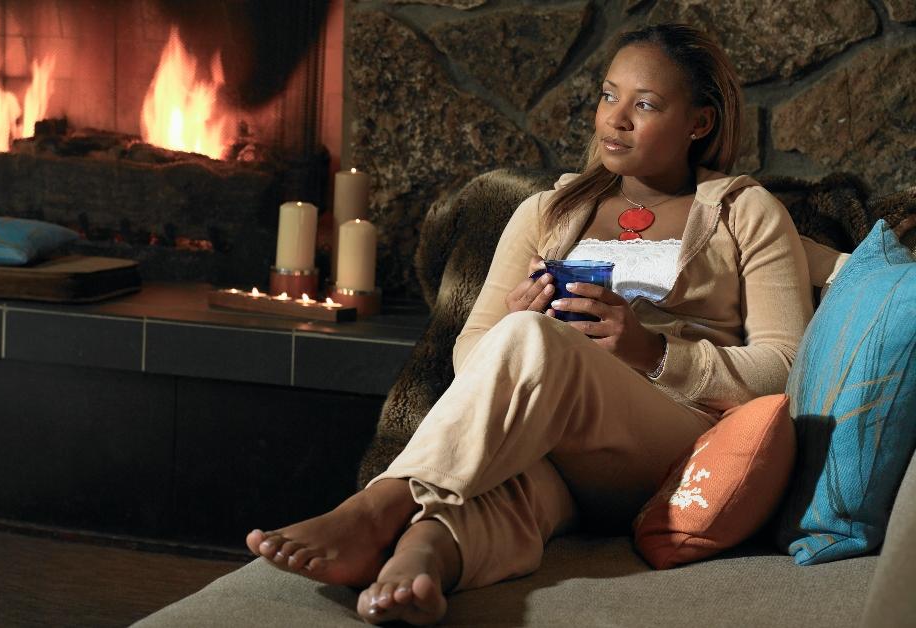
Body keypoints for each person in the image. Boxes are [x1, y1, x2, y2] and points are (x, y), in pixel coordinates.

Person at [246, 23, 814, 625]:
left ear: (698, 123)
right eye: (607, 95)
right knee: (498, 477)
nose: (615, 119)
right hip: (557, 452)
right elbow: (470, 357)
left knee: (532, 340)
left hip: (666, 446)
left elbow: (786, 367)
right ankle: (418, 567)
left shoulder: (744, 211)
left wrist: (652, 352)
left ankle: (378, 504)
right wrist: (516, 324)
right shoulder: (547, 210)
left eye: (644, 105)